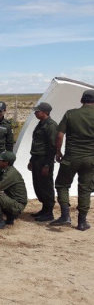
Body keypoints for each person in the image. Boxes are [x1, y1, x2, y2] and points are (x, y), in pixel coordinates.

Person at [52, 89, 94, 230]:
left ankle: (65, 216)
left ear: (82, 100)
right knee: (85, 189)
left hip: (71, 157)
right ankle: (82, 222)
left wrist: (58, 151)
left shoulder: (70, 114)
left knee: (62, 185)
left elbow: (59, 135)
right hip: (90, 159)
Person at [28, 102, 58, 222]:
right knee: (38, 184)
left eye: (38, 111)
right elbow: (36, 143)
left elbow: (52, 147)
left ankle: (49, 212)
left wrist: (47, 164)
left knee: (46, 185)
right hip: (36, 158)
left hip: (44, 160)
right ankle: (44, 209)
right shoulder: (40, 124)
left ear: (45, 112)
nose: (35, 113)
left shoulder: (51, 125)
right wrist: (31, 160)